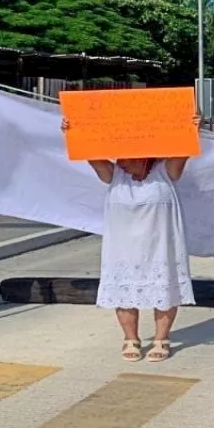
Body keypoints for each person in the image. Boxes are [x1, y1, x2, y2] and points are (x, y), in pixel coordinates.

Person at [60, 115, 201, 363]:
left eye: (125, 157)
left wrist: (191, 128)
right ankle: (130, 338)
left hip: (160, 244)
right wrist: (72, 132)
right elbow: (89, 153)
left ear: (143, 155)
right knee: (124, 287)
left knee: (164, 286)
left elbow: (185, 149)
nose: (121, 162)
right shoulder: (114, 174)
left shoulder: (165, 171)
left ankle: (161, 339)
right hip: (123, 246)